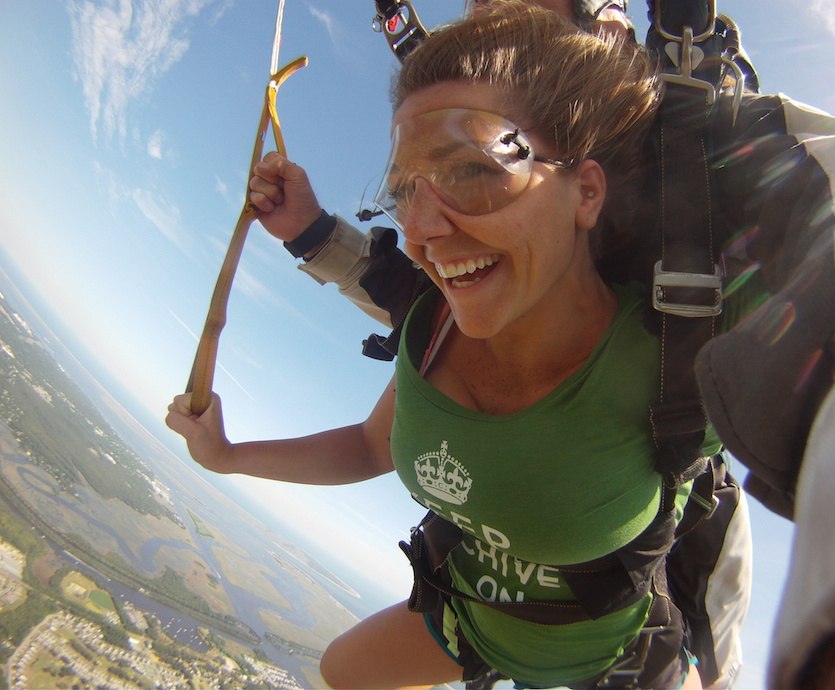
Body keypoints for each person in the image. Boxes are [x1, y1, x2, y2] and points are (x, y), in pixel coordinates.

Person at [237, 1, 835, 687]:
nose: (500, 36)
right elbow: (425, 288)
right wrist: (313, 232)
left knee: (696, 563)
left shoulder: (700, 166)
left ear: (609, 33)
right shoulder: (478, 203)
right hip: (486, 593)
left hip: (632, 581)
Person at [169, 3, 720, 687]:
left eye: (473, 170)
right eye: (401, 191)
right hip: (467, 619)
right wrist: (225, 456)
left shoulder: (674, 360)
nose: (422, 229)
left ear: (585, 191)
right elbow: (374, 444)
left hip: (615, 664)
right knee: (342, 669)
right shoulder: (433, 328)